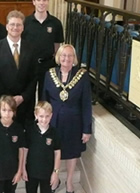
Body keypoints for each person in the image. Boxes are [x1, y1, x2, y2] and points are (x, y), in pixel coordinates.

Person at [42, 44, 92, 193]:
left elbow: (86, 104)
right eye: (63, 55)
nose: (66, 58)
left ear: (74, 58)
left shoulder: (82, 76)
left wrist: (86, 129)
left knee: (72, 152)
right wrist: (42, 122)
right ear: (58, 57)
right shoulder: (49, 74)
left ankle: (69, 182)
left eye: (70, 55)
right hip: (53, 121)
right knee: (51, 151)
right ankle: (54, 179)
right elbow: (44, 100)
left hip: (74, 122)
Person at [0, 10, 37, 127]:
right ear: (6, 26)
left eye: (19, 24)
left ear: (23, 27)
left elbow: (34, 76)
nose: (15, 27)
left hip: (25, 103)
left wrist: (23, 97)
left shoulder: (31, 48)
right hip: (4, 104)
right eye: (12, 24)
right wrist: (8, 99)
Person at [23, 0, 64, 100]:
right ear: (33, 2)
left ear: (48, 1)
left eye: (44, 0)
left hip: (48, 65)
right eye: (39, 0)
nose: (42, 3)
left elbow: (57, 46)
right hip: (29, 65)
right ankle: (29, 117)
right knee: (28, 95)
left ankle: (43, 117)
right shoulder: (25, 22)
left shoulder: (56, 23)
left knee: (45, 96)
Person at [22, 101, 61, 193]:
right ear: (36, 115)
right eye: (41, 116)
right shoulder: (30, 130)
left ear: (51, 115)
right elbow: (25, 150)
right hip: (31, 172)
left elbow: (57, 153)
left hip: (47, 173)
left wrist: (55, 172)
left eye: (47, 116)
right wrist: (23, 168)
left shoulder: (54, 133)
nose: (44, 119)